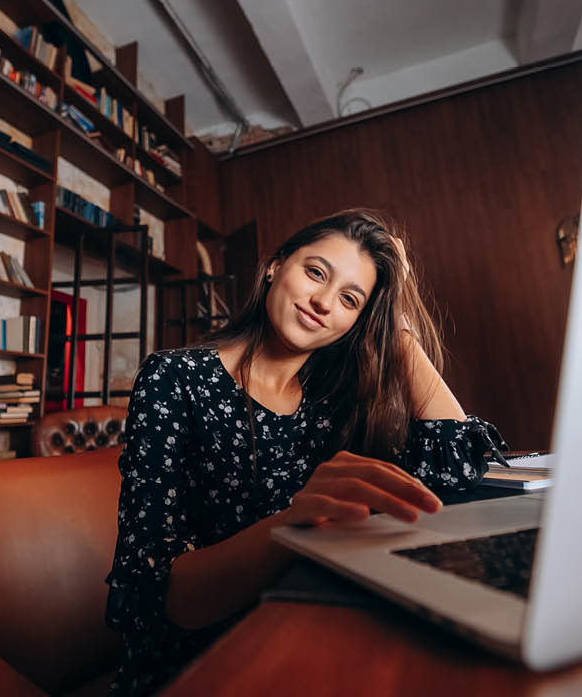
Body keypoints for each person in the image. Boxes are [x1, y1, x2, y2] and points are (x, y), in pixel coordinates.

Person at [104, 209, 506, 695]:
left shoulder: (335, 400)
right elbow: (157, 596)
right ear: (275, 265)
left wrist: (398, 329)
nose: (322, 302)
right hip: (202, 664)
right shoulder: (175, 378)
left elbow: (458, 465)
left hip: (317, 635)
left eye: (350, 298)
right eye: (316, 272)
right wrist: (294, 522)